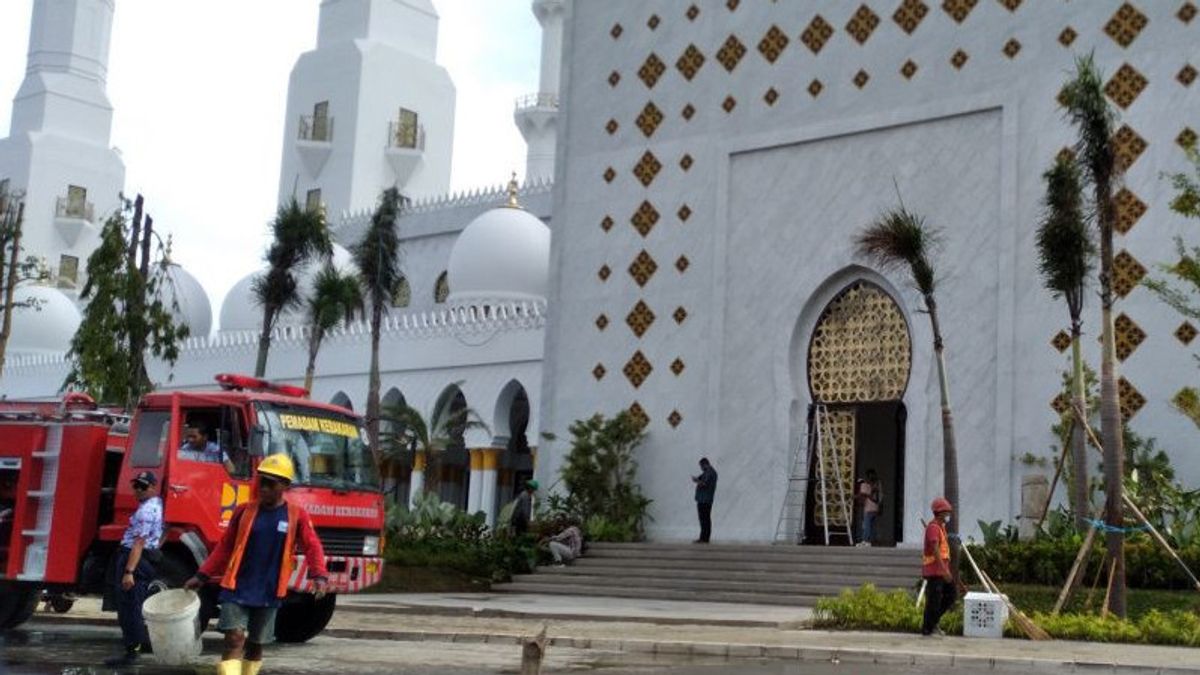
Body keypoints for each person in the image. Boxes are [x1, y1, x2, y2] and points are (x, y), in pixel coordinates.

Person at [184, 455, 327, 675]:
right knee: (234, 639)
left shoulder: (296, 515)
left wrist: (319, 576)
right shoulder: (244, 511)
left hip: (269, 590)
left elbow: (312, 546)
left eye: (271, 483)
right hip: (237, 586)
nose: (264, 487)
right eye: (262, 481)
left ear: (285, 486)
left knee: (256, 644)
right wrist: (202, 575)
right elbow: (225, 547)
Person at [103, 470, 163, 667]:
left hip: (135, 558)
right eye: (136, 485)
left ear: (153, 487)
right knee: (135, 604)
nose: (137, 490)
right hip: (147, 558)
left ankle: (131, 653)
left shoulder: (145, 512)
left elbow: (138, 543)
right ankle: (136, 646)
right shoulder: (157, 504)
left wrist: (129, 572)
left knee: (129, 606)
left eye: (143, 486)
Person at [922, 497, 957, 637]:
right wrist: (944, 570)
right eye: (947, 512)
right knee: (933, 601)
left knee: (950, 595)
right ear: (940, 513)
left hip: (941, 569)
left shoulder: (940, 527)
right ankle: (928, 628)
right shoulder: (933, 528)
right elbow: (935, 550)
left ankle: (932, 623)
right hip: (935, 570)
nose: (949, 514)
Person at [691, 457, 718, 544]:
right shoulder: (709, 472)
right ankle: (704, 538)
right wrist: (698, 479)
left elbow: (704, 484)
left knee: (704, 519)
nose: (701, 468)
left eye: (701, 466)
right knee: (705, 519)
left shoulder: (709, 472)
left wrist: (696, 481)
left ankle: (704, 538)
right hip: (706, 499)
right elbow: (701, 478)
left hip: (704, 500)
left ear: (705, 464)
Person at [855, 469, 882, 547]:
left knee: (867, 524)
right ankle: (871, 540)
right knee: (872, 525)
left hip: (869, 507)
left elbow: (863, 495)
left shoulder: (868, 484)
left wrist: (854, 497)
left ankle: (865, 540)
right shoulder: (878, 483)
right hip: (875, 507)